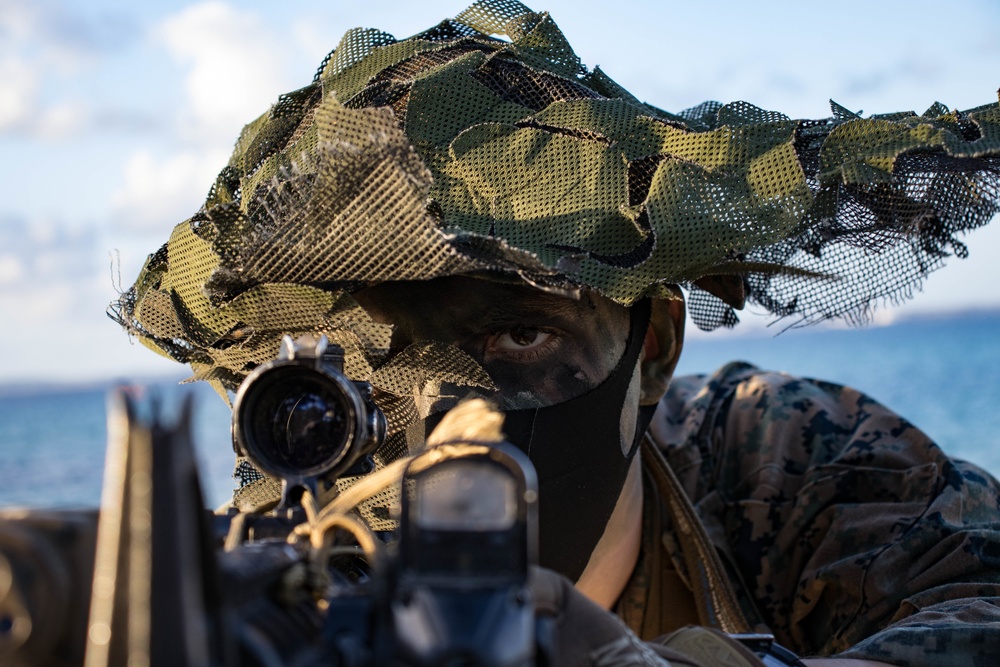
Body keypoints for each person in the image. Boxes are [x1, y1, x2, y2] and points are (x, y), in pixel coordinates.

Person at [112, 1, 1000, 664]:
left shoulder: (775, 456)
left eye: (519, 336)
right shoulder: (262, 563)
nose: (439, 419)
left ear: (651, 347)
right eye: (355, 364)